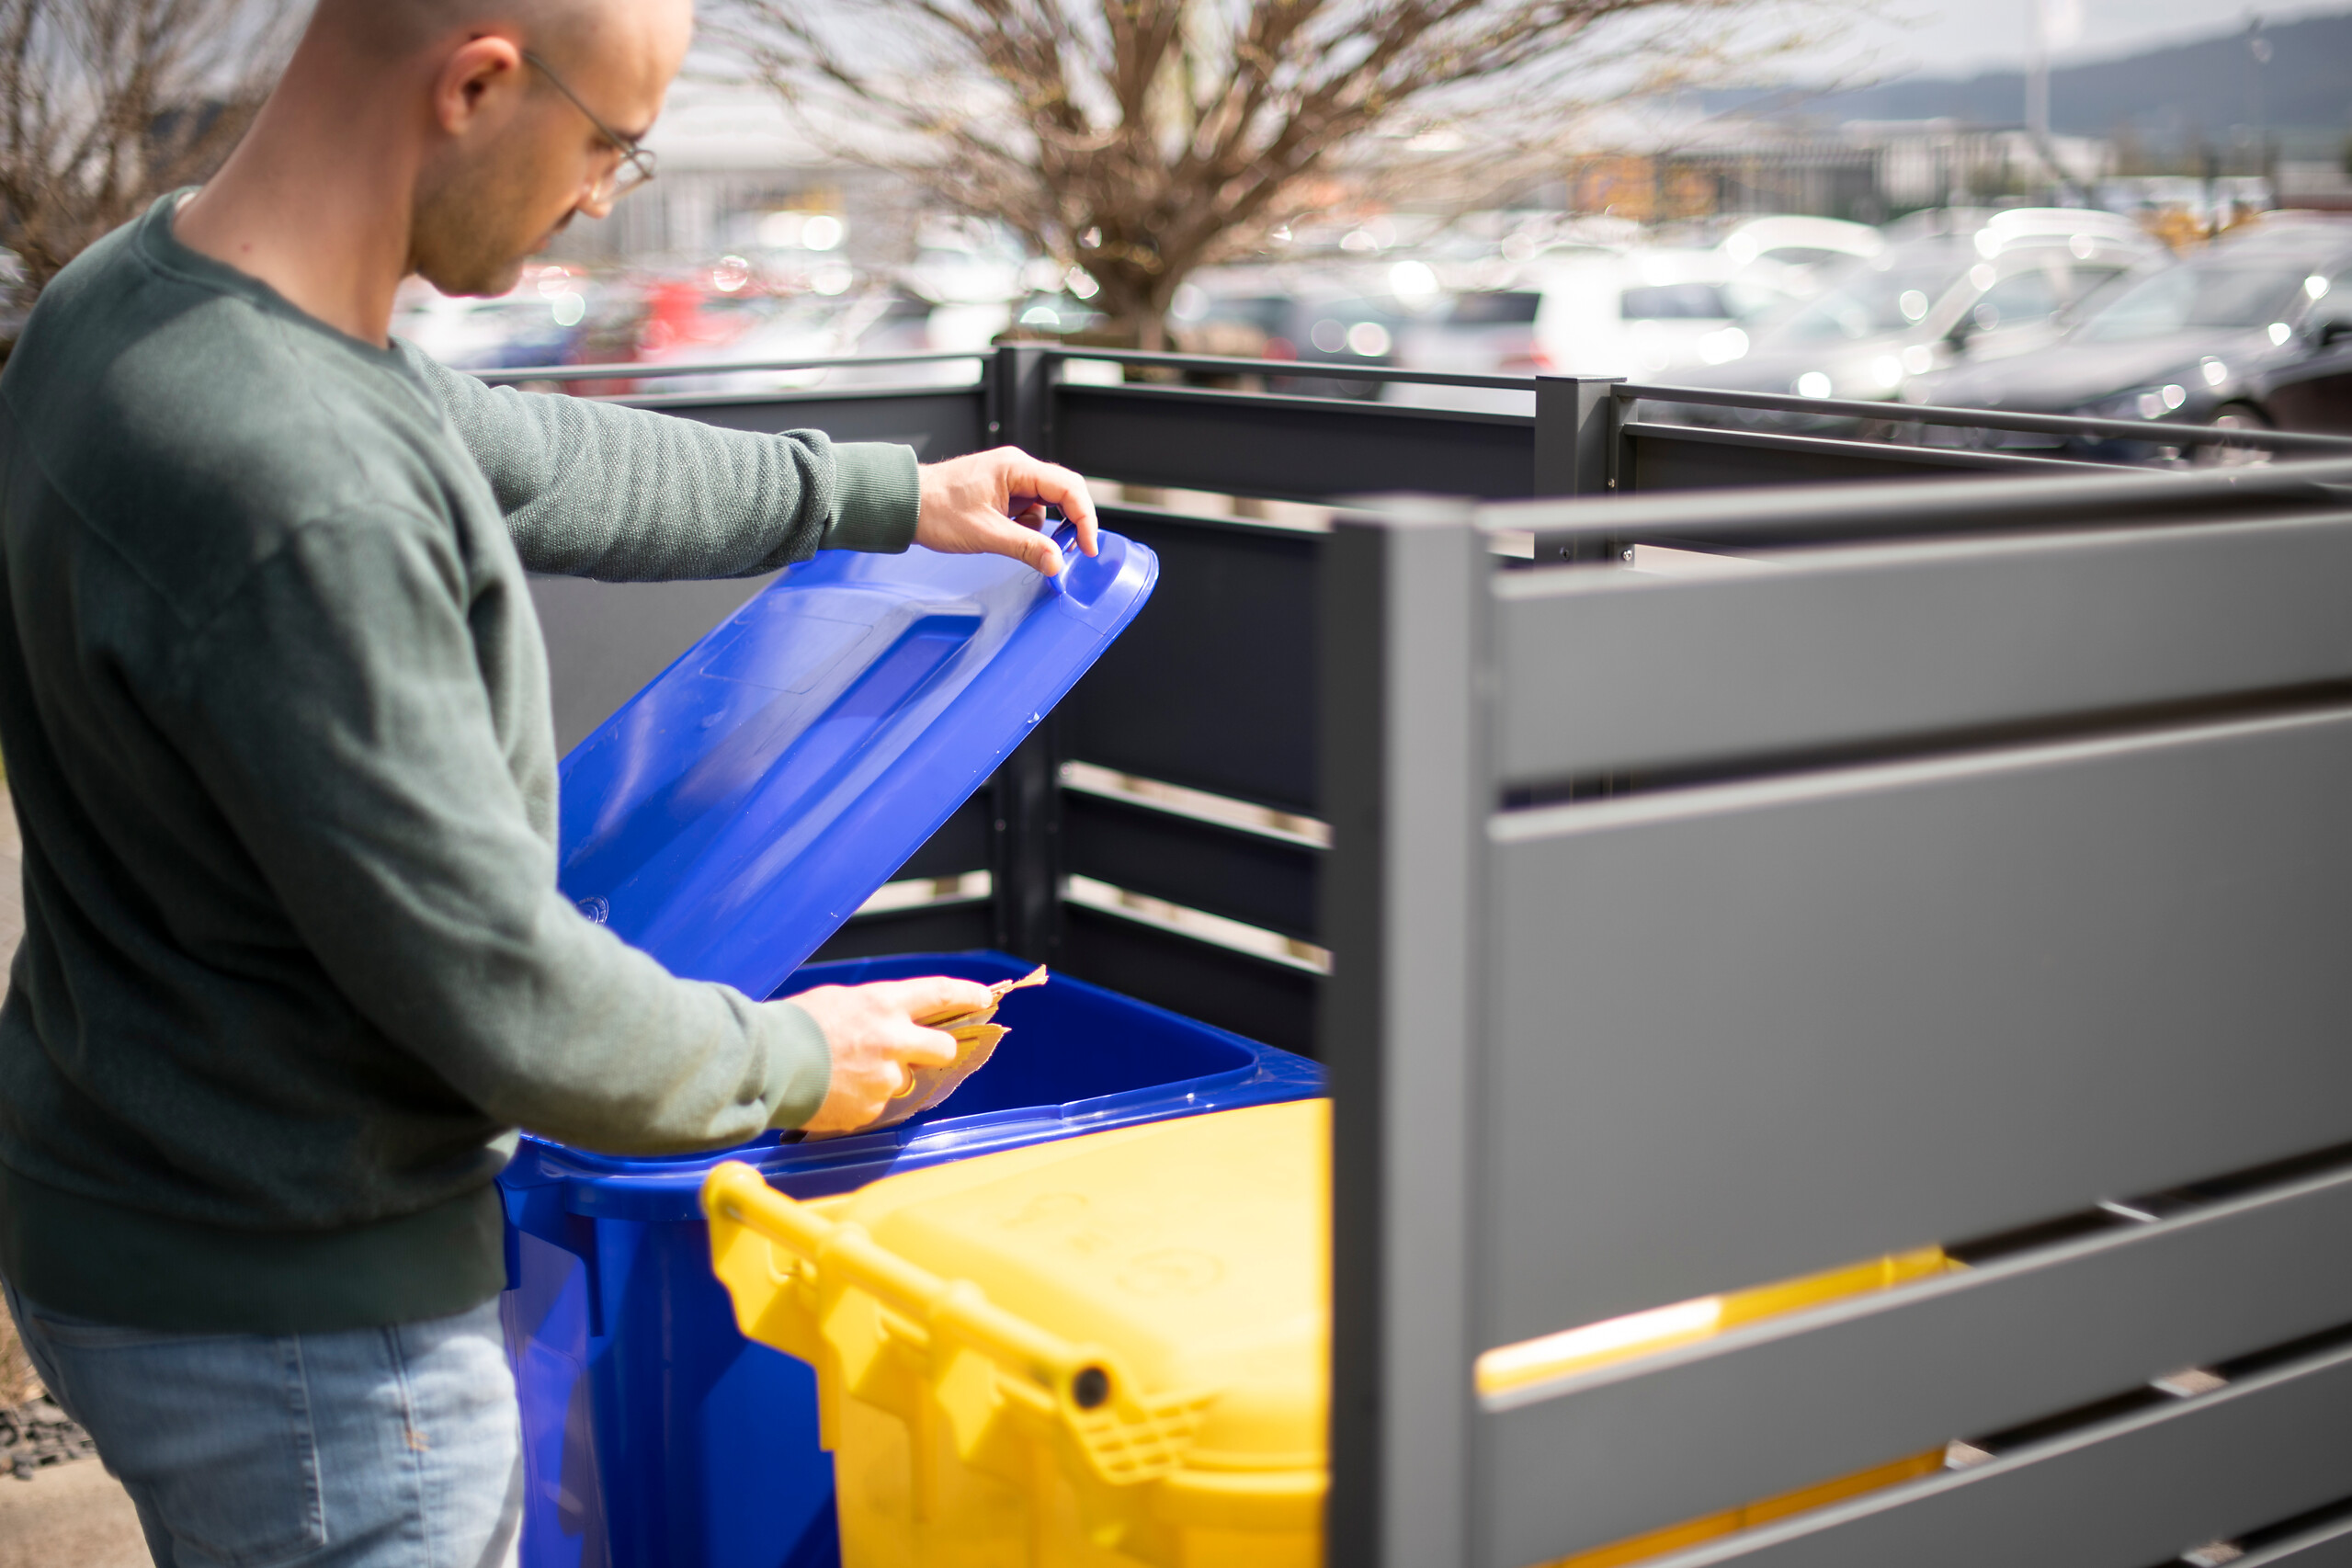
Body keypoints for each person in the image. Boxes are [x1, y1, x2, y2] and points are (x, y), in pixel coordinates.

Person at [0, 0, 1097, 1562]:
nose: (604, 194)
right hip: (305, 1322)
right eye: (610, 144)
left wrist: (884, 495)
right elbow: (503, 994)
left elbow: (535, 457)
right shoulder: (297, 485)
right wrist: (798, 1057)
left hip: (121, 1184)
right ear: (476, 85)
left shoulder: (137, 299)